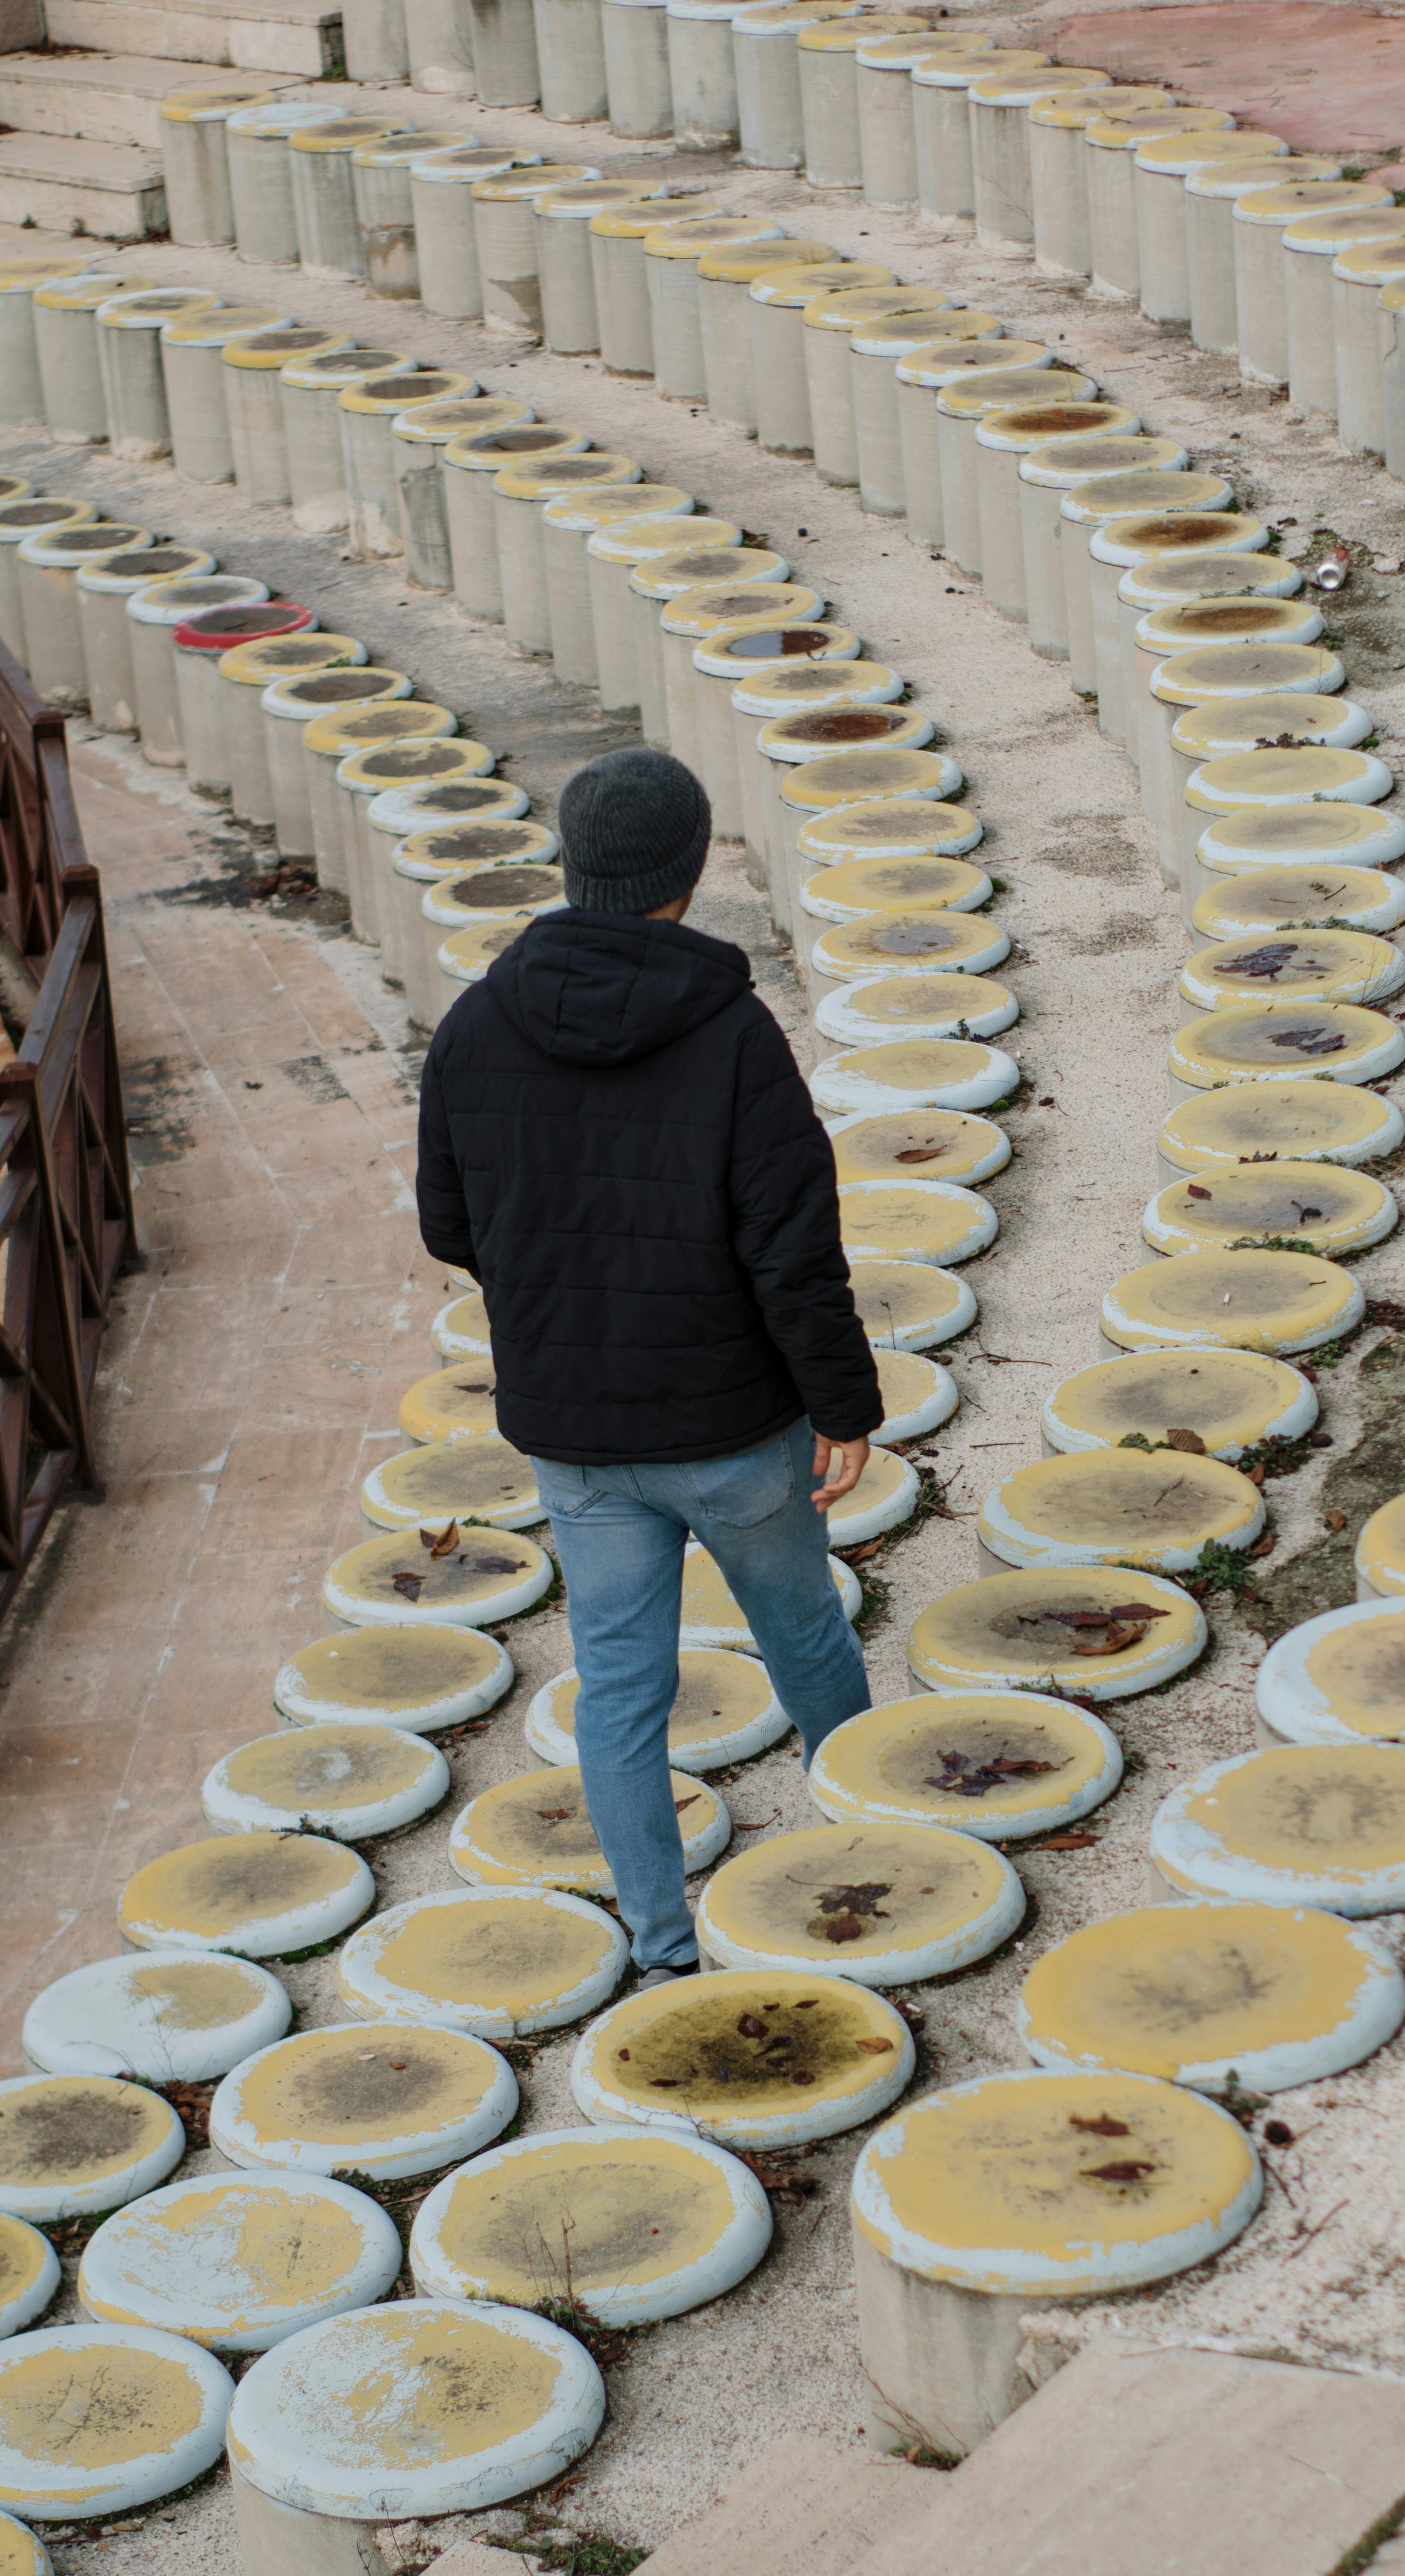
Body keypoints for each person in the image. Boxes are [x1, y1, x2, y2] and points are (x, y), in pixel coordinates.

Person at [416, 746, 882, 1985]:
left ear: (574, 864)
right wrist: (845, 1404)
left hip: (576, 1436)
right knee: (804, 1635)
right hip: (737, 1427)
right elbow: (794, 1252)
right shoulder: (733, 1033)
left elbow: (450, 1227)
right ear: (691, 867)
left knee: (620, 1690)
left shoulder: (475, 1026)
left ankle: (663, 1947)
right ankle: (877, 1855)